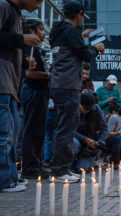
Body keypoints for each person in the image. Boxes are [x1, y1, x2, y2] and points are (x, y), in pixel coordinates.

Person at [49, 0, 104, 183]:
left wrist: (82, 37)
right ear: (79, 14)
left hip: (59, 84)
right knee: (66, 128)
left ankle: (59, 168)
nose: (82, 19)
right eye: (82, 16)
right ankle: (59, 170)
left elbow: (71, 48)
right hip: (68, 85)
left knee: (63, 127)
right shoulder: (71, 31)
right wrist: (96, 48)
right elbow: (85, 54)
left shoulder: (59, 30)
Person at [0, 0, 42, 192]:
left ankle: (10, 177)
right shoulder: (3, 6)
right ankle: (4, 181)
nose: (39, 5)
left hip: (11, 85)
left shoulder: (17, 14)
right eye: (38, 0)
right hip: (2, 83)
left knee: (13, 135)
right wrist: (22, 40)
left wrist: (25, 62)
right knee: (4, 136)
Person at [20, 19, 50, 179]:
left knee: (39, 132)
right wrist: (50, 76)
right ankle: (30, 168)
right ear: (31, 31)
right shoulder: (29, 47)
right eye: (40, 29)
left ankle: (37, 165)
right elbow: (30, 73)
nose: (43, 32)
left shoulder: (36, 49)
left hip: (40, 92)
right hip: (33, 91)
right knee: (32, 131)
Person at [73, 93, 108, 172]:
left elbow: (105, 128)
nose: (87, 111)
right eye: (85, 108)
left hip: (90, 144)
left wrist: (98, 142)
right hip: (76, 139)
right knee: (74, 143)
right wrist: (85, 139)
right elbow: (69, 130)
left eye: (89, 109)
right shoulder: (72, 109)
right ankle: (69, 164)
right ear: (79, 104)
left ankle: (88, 160)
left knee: (82, 169)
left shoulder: (96, 109)